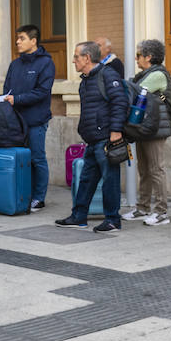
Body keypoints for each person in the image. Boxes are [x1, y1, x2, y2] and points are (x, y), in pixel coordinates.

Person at [56, 41, 125, 233]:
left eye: (76, 56)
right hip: (93, 139)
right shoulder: (86, 80)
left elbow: (120, 102)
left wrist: (116, 131)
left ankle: (112, 220)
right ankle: (79, 216)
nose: (73, 60)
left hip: (106, 138)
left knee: (110, 179)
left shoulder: (108, 75)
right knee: (86, 179)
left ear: (87, 58)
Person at [1, 25, 56, 211]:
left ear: (33, 41)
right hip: (15, 122)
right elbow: (6, 90)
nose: (17, 41)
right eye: (17, 38)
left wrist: (17, 99)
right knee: (21, 160)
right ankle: (24, 194)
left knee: (37, 159)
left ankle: (38, 198)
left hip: (36, 121)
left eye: (22, 38)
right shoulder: (15, 64)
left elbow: (42, 92)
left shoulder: (46, 63)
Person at [128, 38, 171, 227]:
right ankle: (143, 207)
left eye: (138, 55)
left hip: (156, 129)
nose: (136, 59)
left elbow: (137, 92)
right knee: (144, 170)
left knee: (156, 170)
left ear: (149, 57)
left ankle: (161, 212)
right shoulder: (145, 74)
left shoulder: (157, 75)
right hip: (145, 127)